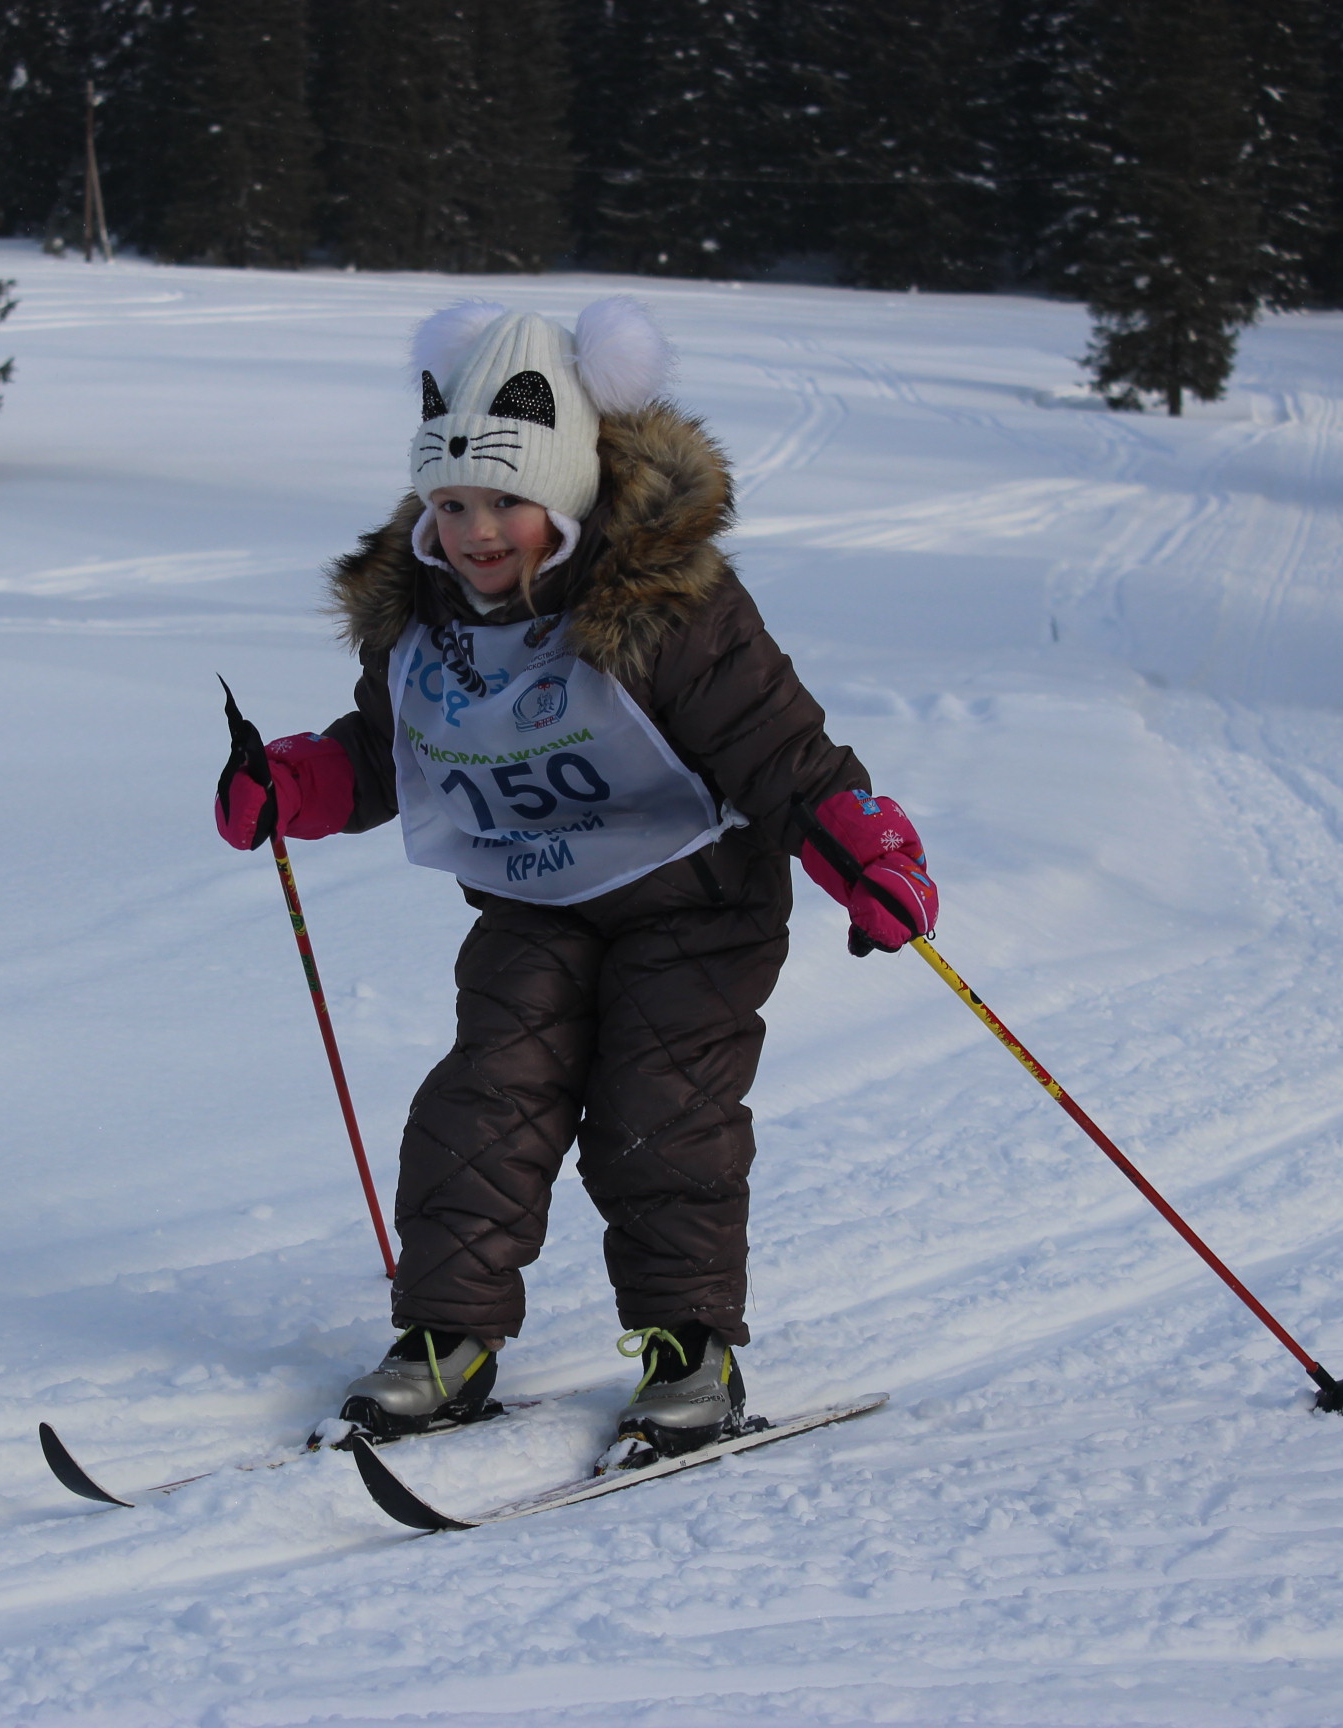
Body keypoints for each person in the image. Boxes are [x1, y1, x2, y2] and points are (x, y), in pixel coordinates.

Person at [214, 301, 936, 1464]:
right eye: (451, 505)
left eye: (504, 504)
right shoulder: (423, 617)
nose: (476, 533)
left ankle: (687, 1347)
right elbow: (387, 752)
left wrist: (865, 848)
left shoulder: (670, 607)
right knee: (482, 1100)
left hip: (695, 901)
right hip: (538, 899)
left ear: (562, 500)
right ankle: (448, 1341)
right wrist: (292, 786)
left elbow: (785, 754)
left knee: (661, 1113)